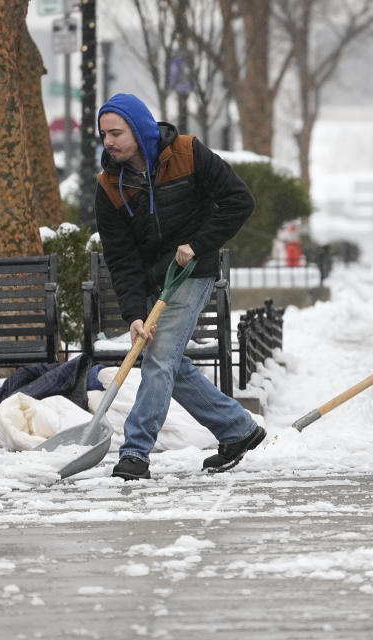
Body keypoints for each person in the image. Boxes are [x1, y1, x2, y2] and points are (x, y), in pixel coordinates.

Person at [94, 93, 265, 480]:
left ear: (138, 130)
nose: (108, 142)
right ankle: (238, 429)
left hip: (190, 273)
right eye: (103, 135)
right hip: (153, 281)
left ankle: (136, 451)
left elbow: (240, 201)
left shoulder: (188, 153)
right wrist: (135, 314)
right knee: (168, 360)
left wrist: (198, 243)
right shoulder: (110, 186)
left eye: (116, 133)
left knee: (158, 360)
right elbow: (121, 258)